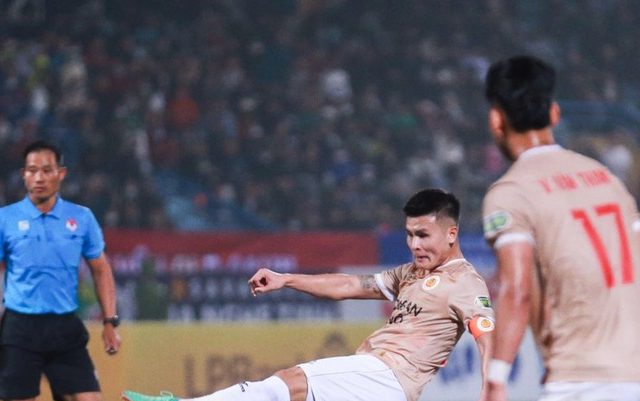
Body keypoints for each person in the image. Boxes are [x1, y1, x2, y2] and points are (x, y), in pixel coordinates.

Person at [122, 188, 495, 401]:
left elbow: (488, 338)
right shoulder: (410, 273)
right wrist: (286, 279)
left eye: (423, 235)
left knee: (288, 383)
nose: (414, 244)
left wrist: (494, 391)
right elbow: (350, 285)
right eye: (410, 235)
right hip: (376, 383)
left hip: (389, 376)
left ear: (451, 233)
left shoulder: (465, 282)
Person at [481, 55, 640, 401]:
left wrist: (496, 377)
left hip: (580, 380)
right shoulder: (608, 180)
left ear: (496, 119)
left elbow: (517, 290)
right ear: (554, 113)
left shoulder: (511, 193)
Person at [0, 140, 122, 401]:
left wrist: (110, 321)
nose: (39, 178)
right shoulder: (5, 219)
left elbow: (101, 270)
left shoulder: (82, 218)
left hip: (65, 327)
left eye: (47, 170)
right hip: (20, 328)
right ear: (24, 174)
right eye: (32, 171)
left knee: (90, 399)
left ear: (61, 173)